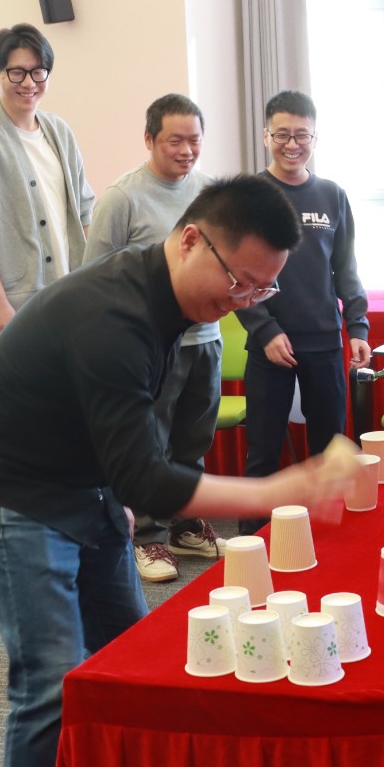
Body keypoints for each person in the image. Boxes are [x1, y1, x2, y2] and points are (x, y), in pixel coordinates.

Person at [0, 175, 359, 767]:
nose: (243, 301)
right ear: (191, 239)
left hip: (82, 481)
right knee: (52, 679)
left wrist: (122, 485)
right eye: (239, 281)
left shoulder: (170, 297)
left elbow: (132, 448)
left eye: (262, 289)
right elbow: (148, 478)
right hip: (8, 489)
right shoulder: (115, 314)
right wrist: (280, 488)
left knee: (130, 662)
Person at [83, 94, 225, 582]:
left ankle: (186, 525)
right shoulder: (123, 198)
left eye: (195, 141)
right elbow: (95, 276)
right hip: (151, 344)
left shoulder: (211, 192)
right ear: (149, 139)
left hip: (205, 338)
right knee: (150, 443)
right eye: (174, 141)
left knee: (193, 440)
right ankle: (147, 537)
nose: (187, 151)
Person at [236, 90, 370, 533]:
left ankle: (329, 543)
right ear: (266, 137)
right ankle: (252, 544)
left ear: (315, 138)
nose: (292, 144)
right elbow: (235, 276)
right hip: (270, 345)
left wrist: (357, 326)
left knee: (329, 449)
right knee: (263, 453)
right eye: (282, 135)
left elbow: (345, 269)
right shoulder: (250, 197)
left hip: (324, 342)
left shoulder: (332, 195)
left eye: (301, 135)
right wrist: (265, 330)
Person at [0, 22, 93, 347]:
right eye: (17, 73)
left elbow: (84, 211)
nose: (29, 83)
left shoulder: (59, 131)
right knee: (22, 384)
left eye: (38, 72)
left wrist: (93, 283)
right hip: (9, 307)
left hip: (67, 295)